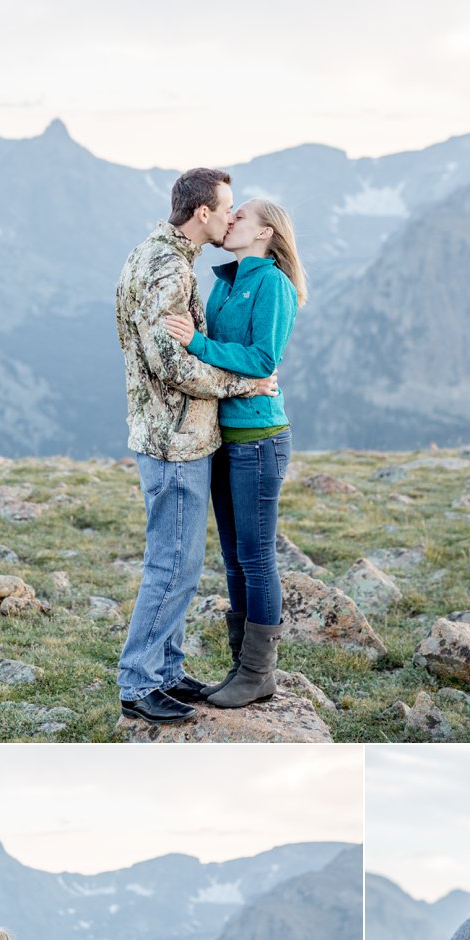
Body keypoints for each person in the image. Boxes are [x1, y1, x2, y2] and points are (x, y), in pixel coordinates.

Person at [114, 168, 280, 725]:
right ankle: (139, 682)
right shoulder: (167, 268)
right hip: (175, 439)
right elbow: (170, 364)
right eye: (227, 207)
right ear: (202, 213)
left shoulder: (154, 256)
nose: (233, 216)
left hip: (169, 432)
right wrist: (245, 383)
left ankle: (166, 669)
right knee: (173, 565)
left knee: (180, 559)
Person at [164, 199, 305, 707]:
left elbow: (263, 359)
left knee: (256, 556)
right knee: (234, 560)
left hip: (259, 438)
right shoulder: (223, 282)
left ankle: (258, 673)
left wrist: (198, 345)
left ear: (265, 231)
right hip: (223, 436)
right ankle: (241, 669)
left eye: (239, 216)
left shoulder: (273, 284)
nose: (230, 220)